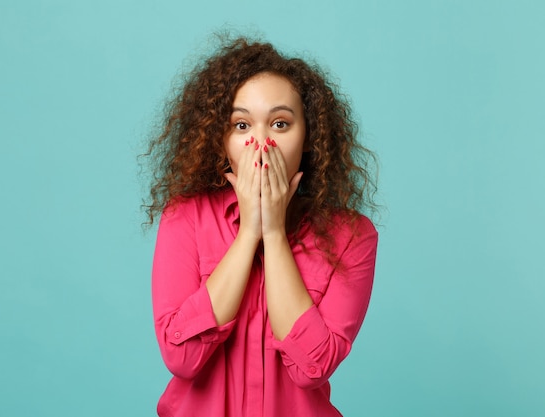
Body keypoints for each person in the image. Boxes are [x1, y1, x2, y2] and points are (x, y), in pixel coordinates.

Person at [143, 36, 379, 417]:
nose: (261, 143)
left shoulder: (353, 236)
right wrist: (249, 231)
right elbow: (181, 357)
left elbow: (311, 368)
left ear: (309, 138)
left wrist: (272, 233)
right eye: (241, 125)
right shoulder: (184, 217)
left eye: (280, 123)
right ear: (221, 141)